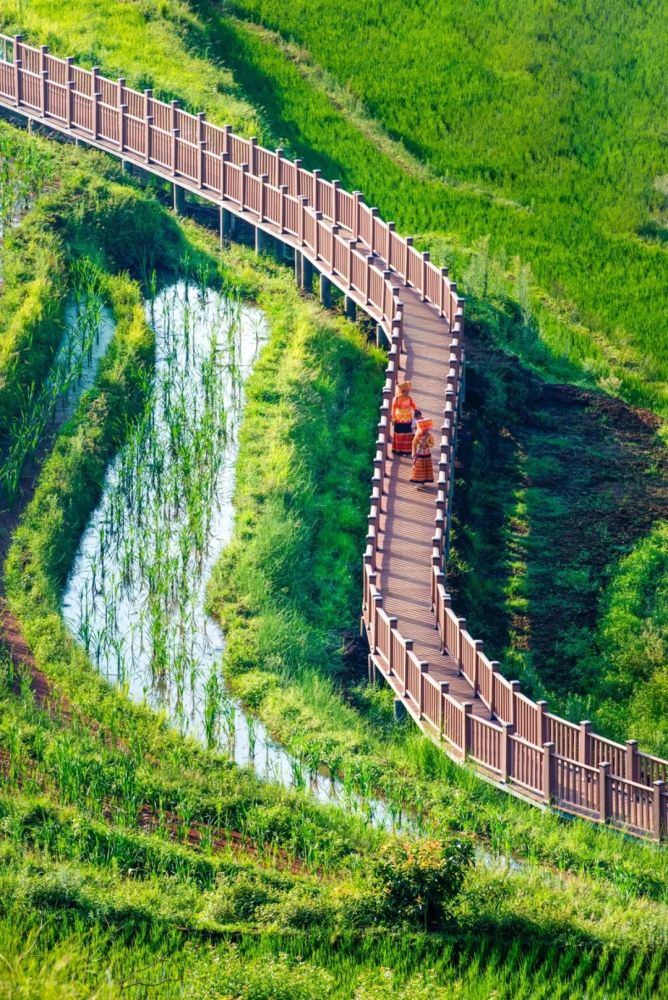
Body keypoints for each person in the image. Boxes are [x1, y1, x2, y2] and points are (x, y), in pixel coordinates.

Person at [391, 380, 417, 455]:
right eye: (406, 391)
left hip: (408, 419)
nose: (408, 392)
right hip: (399, 419)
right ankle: (398, 450)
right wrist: (393, 419)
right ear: (402, 391)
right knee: (399, 434)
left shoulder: (409, 398)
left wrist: (416, 410)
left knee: (407, 433)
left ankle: (407, 450)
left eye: (408, 391)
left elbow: (413, 405)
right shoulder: (397, 399)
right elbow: (393, 409)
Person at [410, 418, 435, 490]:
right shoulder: (417, 435)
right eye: (425, 429)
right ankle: (418, 483)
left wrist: (427, 444)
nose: (427, 430)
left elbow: (432, 443)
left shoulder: (429, 435)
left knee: (425, 468)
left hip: (426, 453)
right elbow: (414, 444)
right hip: (419, 453)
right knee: (419, 468)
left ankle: (423, 482)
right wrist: (413, 453)